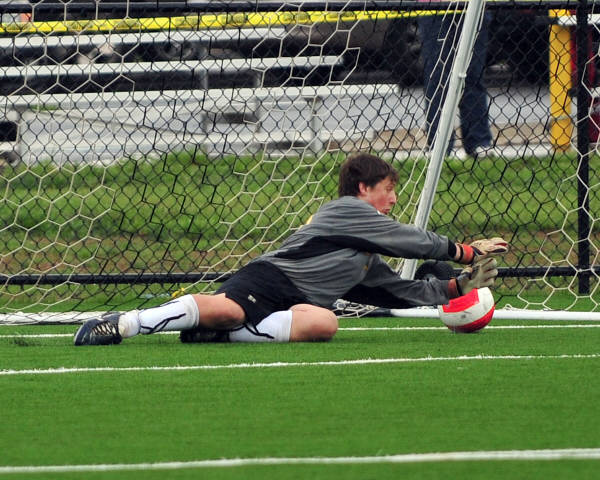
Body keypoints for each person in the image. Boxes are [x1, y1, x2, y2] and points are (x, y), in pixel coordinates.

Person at [74, 153, 508, 346]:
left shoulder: (364, 254)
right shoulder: (345, 211)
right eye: (388, 189)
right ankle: (123, 324)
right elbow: (408, 239)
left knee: (325, 323)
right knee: (228, 310)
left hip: (295, 303)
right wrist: (465, 252)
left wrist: (457, 287)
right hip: (269, 281)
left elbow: (394, 291)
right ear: (363, 188)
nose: (393, 199)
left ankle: (220, 334)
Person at [418, 10, 494, 158]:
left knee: (472, 74)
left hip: (473, 8)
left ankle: (479, 142)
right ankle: (438, 146)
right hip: (435, 8)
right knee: (437, 77)